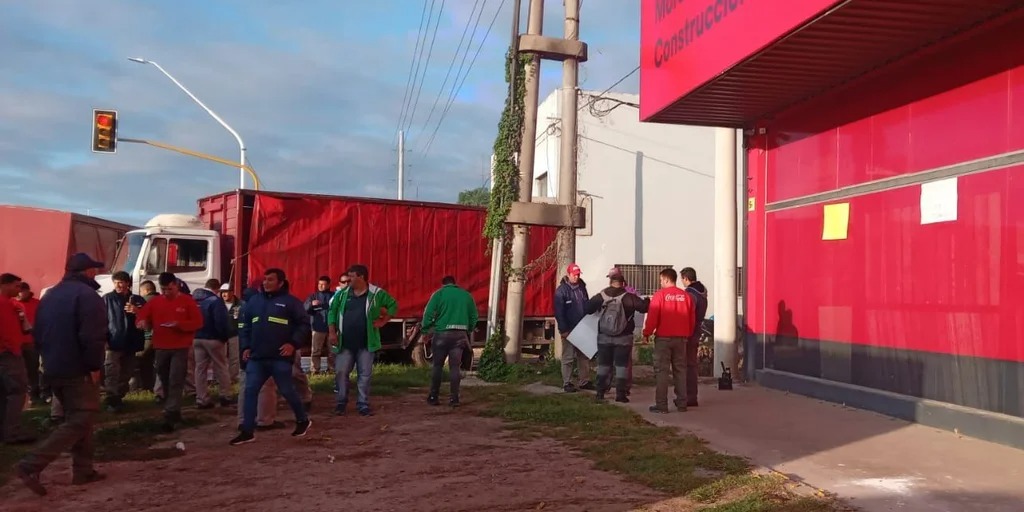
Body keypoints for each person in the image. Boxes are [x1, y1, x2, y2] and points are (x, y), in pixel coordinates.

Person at [16, 253, 108, 496]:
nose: (96, 273)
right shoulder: (88, 296)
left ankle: (83, 470)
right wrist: (94, 366)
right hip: (77, 367)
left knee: (79, 417)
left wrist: (47, 360)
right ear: (87, 272)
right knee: (81, 418)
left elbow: (37, 333)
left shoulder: (50, 295)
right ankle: (31, 464)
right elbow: (93, 337)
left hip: (53, 366)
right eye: (93, 270)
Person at [231, 268, 312, 445]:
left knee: (287, 390)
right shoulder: (254, 301)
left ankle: (302, 420)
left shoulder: (291, 302)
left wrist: (293, 344)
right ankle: (247, 431)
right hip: (257, 357)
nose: (266, 283)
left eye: (270, 280)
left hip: (279, 357)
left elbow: (304, 325)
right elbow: (245, 326)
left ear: (280, 283)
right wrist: (245, 347)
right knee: (250, 391)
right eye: (265, 279)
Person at [134, 272, 203, 432]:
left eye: (169, 289)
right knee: (164, 378)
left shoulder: (187, 301)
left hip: (180, 347)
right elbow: (142, 316)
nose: (166, 292)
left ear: (176, 286)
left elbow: (198, 322)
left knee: (176, 378)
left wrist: (180, 325)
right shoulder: (155, 302)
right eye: (163, 289)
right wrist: (141, 322)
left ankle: (171, 413)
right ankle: (172, 409)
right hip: (161, 346)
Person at [327, 264, 398, 417]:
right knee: (341, 372)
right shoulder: (342, 294)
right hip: (344, 343)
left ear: (362, 277)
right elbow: (332, 312)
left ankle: (363, 404)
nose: (348, 280)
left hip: (366, 343)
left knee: (364, 375)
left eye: (352, 277)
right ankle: (341, 403)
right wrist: (332, 332)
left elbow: (393, 305)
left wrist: (383, 321)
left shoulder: (376, 294)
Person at [583, 267, 649, 403]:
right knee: (621, 367)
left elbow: (587, 309)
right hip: (624, 338)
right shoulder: (629, 297)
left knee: (603, 365)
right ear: (623, 283)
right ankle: (620, 395)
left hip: (604, 337)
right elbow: (644, 308)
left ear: (610, 282)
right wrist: (647, 300)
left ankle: (600, 393)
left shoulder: (601, 296)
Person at [643, 268, 696, 413]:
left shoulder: (660, 295)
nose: (660, 283)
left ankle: (661, 404)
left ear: (666, 279)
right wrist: (688, 333)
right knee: (680, 370)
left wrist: (647, 333)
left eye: (661, 280)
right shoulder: (686, 296)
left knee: (662, 371)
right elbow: (692, 319)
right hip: (682, 339)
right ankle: (682, 403)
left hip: (664, 339)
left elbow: (653, 317)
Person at [236, 281, 284, 432]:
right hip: (261, 354)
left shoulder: (242, 310)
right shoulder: (259, 309)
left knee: (245, 387)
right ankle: (264, 420)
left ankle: (243, 420)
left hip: (244, 353)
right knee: (266, 387)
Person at [421, 275, 477, 407]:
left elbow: (428, 313)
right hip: (460, 335)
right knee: (455, 367)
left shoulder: (439, 294)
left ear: (443, 284)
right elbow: (474, 316)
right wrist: (468, 329)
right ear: (455, 283)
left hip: (441, 334)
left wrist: (425, 330)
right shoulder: (466, 295)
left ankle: (433, 397)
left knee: (437, 366)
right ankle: (454, 399)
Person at [101, 271, 146, 412]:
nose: (118, 285)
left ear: (127, 283)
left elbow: (147, 319)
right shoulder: (107, 299)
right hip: (114, 341)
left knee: (127, 372)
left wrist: (137, 311)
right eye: (115, 282)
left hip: (131, 342)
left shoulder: (138, 300)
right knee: (111, 372)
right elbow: (101, 320)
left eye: (120, 282)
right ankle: (111, 399)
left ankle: (118, 398)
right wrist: (104, 339)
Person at [1, 273, 34, 445]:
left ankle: (5, 431)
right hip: (8, 354)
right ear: (5, 285)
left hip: (8, 352)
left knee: (5, 393)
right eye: (16, 286)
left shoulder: (11, 304)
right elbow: (6, 332)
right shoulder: (4, 304)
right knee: (17, 391)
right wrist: (12, 349)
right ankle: (12, 432)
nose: (19, 289)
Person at [193, 279, 234, 408]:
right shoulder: (215, 301)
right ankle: (225, 395)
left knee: (200, 369)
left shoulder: (193, 300)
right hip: (213, 339)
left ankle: (201, 398)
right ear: (216, 289)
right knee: (221, 366)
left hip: (196, 338)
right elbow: (220, 322)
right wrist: (224, 337)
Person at [553, 263, 594, 393]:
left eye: (578, 274)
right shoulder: (561, 291)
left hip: (583, 327)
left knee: (584, 356)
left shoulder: (582, 287)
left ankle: (584, 381)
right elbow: (559, 312)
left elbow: (586, 304)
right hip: (569, 329)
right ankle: (567, 382)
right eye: (574, 274)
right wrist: (563, 329)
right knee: (568, 357)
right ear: (569, 274)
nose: (576, 277)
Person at [680, 267, 708, 407]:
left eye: (682, 279)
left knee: (686, 365)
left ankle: (687, 396)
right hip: (697, 330)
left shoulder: (690, 294)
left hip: (689, 332)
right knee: (691, 364)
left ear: (686, 278)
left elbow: (685, 314)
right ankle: (691, 396)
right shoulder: (703, 292)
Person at [16, 282, 43, 406]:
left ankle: (34, 394)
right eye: (19, 290)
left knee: (33, 369)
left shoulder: (37, 303)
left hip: (32, 342)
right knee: (20, 371)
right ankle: (24, 396)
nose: (20, 293)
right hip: (17, 343)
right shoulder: (13, 304)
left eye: (22, 290)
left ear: (27, 291)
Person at [305, 276, 335, 375]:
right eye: (319, 284)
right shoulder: (313, 296)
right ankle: (315, 370)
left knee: (332, 351)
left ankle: (332, 370)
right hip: (318, 327)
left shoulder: (334, 296)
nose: (320, 286)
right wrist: (311, 304)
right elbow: (305, 309)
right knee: (316, 351)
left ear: (329, 285)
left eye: (323, 284)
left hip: (332, 328)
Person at [220, 283, 243, 383]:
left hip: (235, 334)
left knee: (235, 357)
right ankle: (222, 378)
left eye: (226, 292)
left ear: (232, 292)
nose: (224, 295)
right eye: (222, 292)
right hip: (221, 335)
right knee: (221, 357)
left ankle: (233, 378)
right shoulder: (218, 304)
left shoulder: (241, 304)